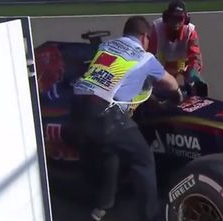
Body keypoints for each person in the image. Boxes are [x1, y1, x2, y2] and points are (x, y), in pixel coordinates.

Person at [71, 16, 181, 221]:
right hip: (106, 115)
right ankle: (150, 216)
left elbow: (114, 77)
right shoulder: (145, 57)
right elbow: (171, 84)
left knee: (111, 150)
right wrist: (177, 95)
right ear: (144, 36)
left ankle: (102, 207)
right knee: (144, 160)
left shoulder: (107, 47)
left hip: (79, 110)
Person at [148, 0, 204, 87]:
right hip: (162, 64)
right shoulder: (157, 28)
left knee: (194, 84)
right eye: (173, 18)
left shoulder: (190, 31)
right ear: (166, 17)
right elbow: (149, 54)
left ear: (185, 19)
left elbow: (195, 57)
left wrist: (194, 72)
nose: (176, 22)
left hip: (182, 63)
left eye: (180, 19)